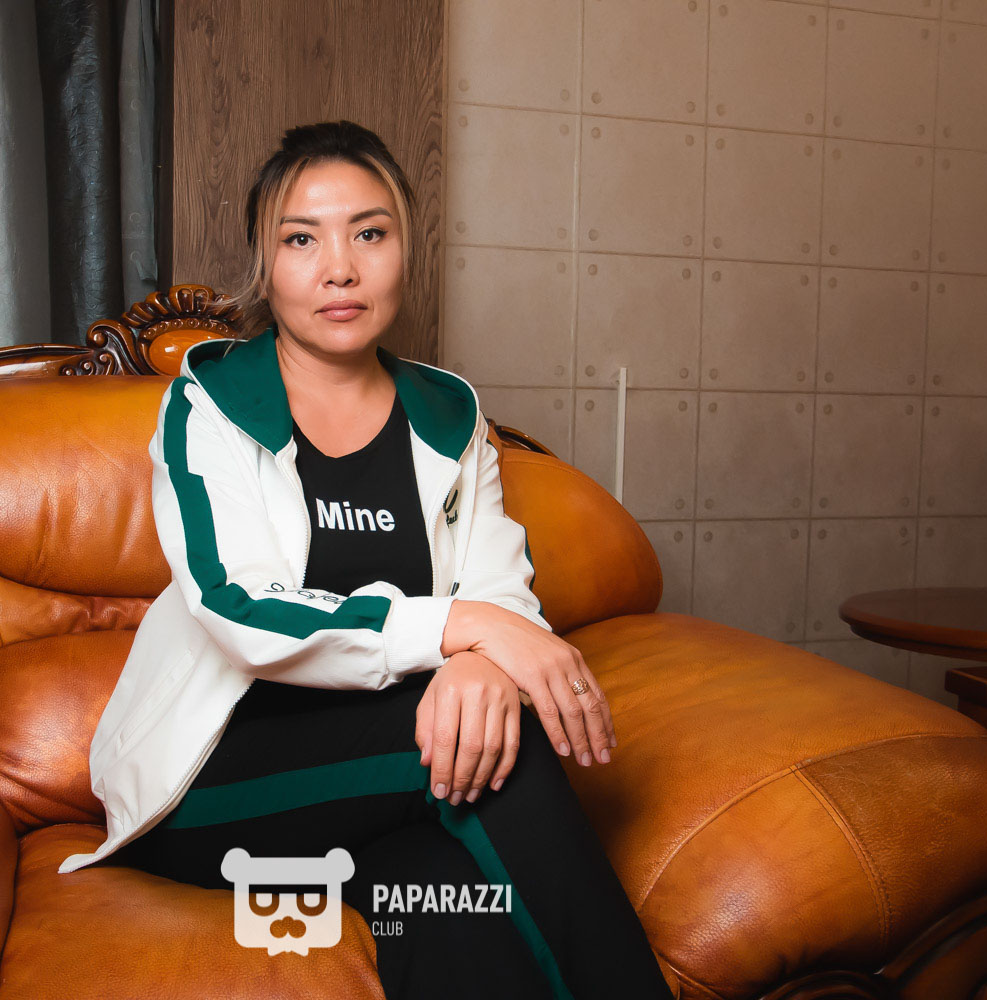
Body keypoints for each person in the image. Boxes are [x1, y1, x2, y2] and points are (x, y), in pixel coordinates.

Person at [96, 120, 672, 999]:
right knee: (494, 749)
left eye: (369, 233)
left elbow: (498, 587)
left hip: (385, 780)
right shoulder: (211, 405)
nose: (340, 268)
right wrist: (462, 630)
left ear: (406, 250)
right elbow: (239, 607)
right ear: (265, 266)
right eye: (302, 239)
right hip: (213, 781)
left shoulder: (449, 416)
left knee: (453, 913)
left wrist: (481, 664)